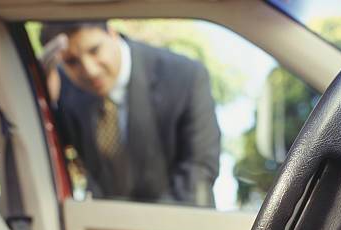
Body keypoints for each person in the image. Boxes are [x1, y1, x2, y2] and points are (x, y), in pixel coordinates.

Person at [39, 21, 221, 206]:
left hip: (177, 223)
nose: (89, 70)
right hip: (100, 226)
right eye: (72, 61)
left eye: (94, 50)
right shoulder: (64, 87)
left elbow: (198, 170)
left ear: (112, 33)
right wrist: (45, 98)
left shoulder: (184, 76)